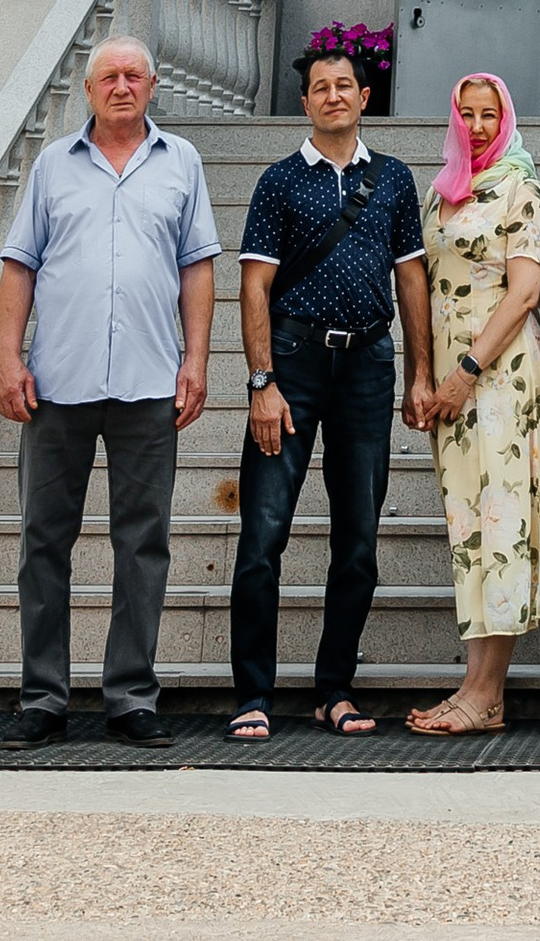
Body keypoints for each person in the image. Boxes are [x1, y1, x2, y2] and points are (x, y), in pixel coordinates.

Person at [0, 33, 217, 748]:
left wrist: (197, 361)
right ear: (89, 91)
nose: (121, 86)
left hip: (150, 381)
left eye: (133, 75)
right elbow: (19, 268)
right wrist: (5, 359)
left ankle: (130, 697)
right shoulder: (54, 166)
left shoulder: (180, 162)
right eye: (108, 77)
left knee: (143, 544)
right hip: (57, 381)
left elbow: (197, 268)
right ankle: (43, 698)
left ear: (152, 87)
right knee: (42, 544)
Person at [225, 38, 430, 742]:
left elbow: (411, 280)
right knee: (264, 534)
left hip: (369, 366)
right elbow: (254, 285)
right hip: (294, 362)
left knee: (359, 541)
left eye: (345, 85)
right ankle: (251, 692)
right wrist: (263, 383)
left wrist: (422, 373)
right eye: (321, 87)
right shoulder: (280, 181)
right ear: (307, 101)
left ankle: (333, 690)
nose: (334, 95)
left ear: (364, 98)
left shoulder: (395, 178)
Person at [410, 71, 540, 734]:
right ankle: (476, 686)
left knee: (504, 523)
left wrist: (466, 371)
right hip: (452, 382)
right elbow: (423, 285)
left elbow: (522, 292)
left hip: (501, 375)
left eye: (490, 114)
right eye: (467, 114)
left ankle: (486, 693)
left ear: (506, 118)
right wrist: (423, 376)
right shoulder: (439, 191)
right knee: (472, 529)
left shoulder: (522, 187)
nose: (479, 126)